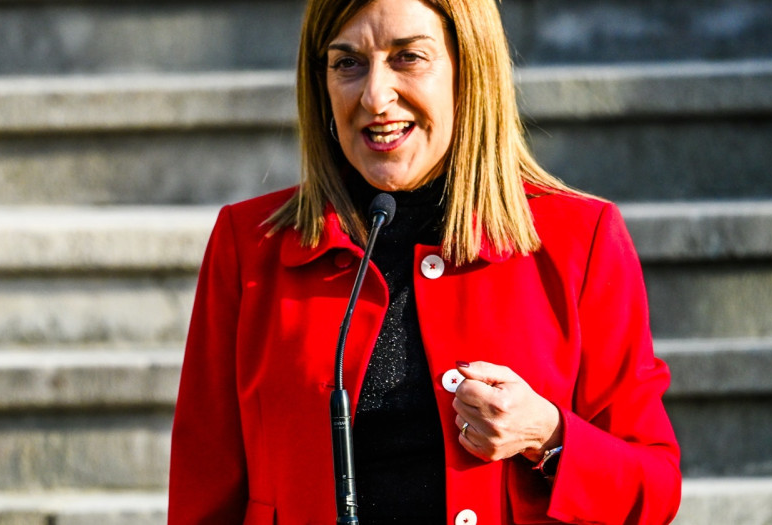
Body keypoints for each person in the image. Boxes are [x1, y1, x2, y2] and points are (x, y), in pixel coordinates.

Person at [168, 0, 682, 523]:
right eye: (348, 63)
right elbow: (202, 488)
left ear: (470, 70)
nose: (375, 95)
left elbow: (654, 490)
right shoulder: (248, 244)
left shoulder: (581, 239)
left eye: (408, 57)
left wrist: (547, 435)